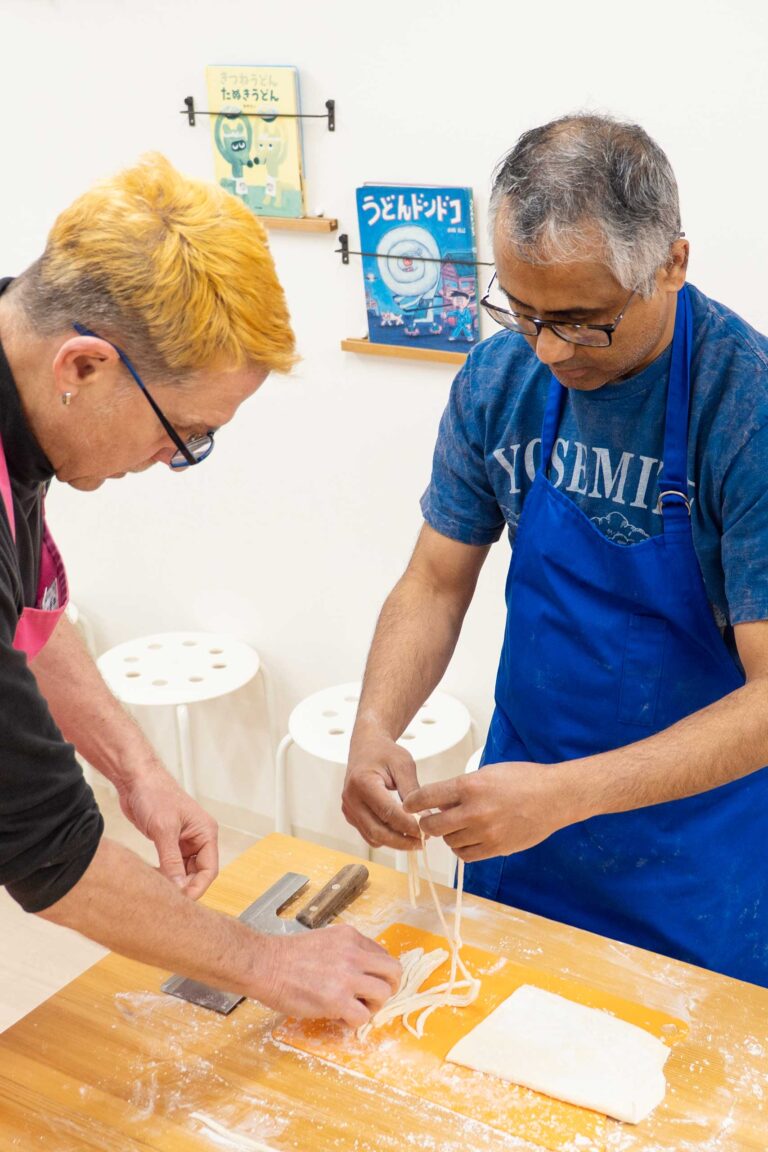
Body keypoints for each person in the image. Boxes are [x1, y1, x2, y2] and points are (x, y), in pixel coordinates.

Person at [342, 113, 768, 987]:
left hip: (692, 860)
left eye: (581, 321)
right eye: (520, 310)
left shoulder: (745, 412)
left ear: (672, 265)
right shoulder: (502, 378)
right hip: (517, 830)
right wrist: (376, 724)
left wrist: (570, 794)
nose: (543, 347)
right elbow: (432, 582)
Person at [0, 153, 400, 1026]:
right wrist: (267, 964)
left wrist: (136, 769)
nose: (178, 465)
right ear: (83, 368)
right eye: (183, 433)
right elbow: (41, 845)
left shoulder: (16, 364)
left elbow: (25, 608)